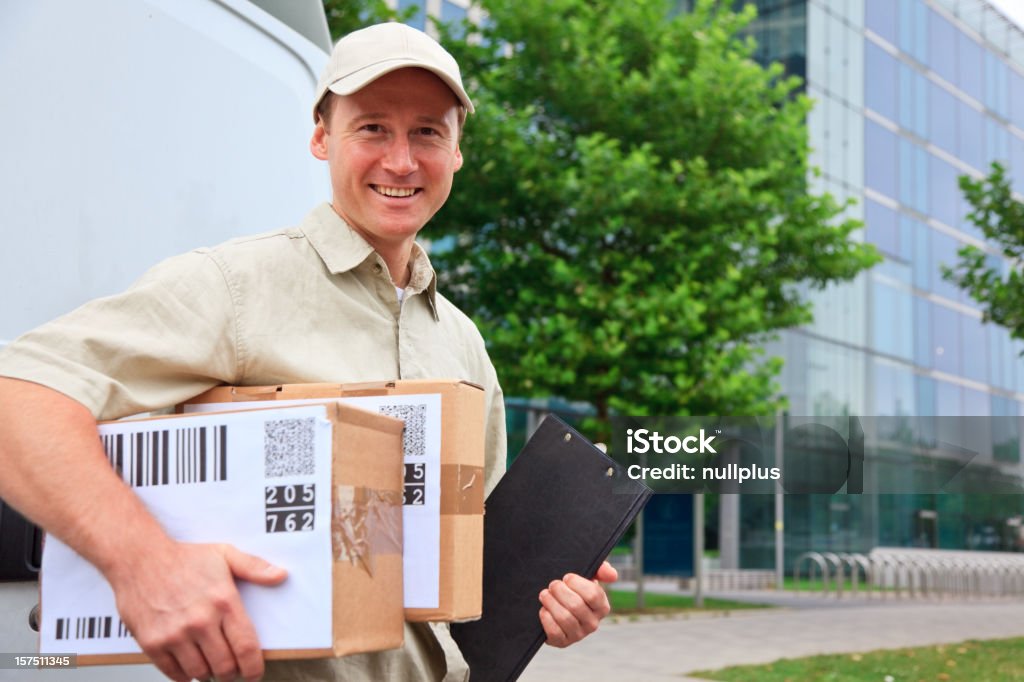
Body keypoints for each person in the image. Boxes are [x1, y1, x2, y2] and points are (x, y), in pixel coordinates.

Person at [0, 21, 616, 682]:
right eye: (373, 128)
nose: (402, 161)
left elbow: (474, 569)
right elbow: (18, 396)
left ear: (458, 149)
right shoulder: (237, 288)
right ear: (322, 137)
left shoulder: (461, 341)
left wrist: (552, 603)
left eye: (428, 132)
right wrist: (143, 563)